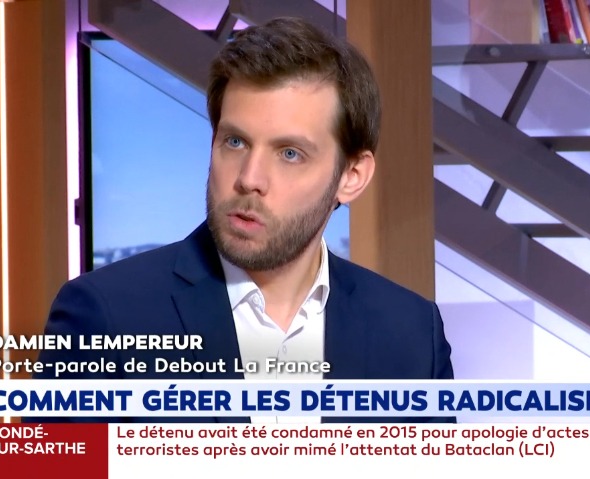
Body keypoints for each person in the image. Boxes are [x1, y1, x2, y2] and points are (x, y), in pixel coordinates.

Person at [35, 17, 453, 423]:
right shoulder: (105, 318)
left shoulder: (412, 335)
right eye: (235, 142)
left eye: (290, 153)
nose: (249, 179)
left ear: (351, 176)